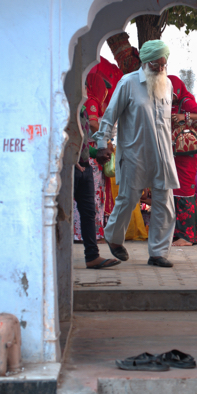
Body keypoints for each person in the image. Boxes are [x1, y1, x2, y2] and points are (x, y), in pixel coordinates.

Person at [94, 40, 179, 268]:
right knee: (128, 200)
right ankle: (113, 237)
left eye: (164, 64)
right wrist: (103, 143)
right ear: (145, 62)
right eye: (156, 65)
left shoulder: (168, 84)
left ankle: (158, 253)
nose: (160, 69)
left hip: (163, 154)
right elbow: (110, 116)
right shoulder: (128, 83)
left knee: (165, 202)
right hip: (135, 153)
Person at [73, 96, 120, 270]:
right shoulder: (62, 108)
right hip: (70, 166)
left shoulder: (82, 109)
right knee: (60, 213)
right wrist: (72, 159)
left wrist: (96, 152)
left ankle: (92, 256)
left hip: (83, 165)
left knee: (88, 211)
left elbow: (83, 143)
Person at [168, 75, 197, 246]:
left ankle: (187, 236)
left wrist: (184, 117)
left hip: (186, 155)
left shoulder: (185, 101)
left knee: (185, 191)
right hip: (173, 153)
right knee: (174, 192)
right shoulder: (168, 103)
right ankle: (179, 233)